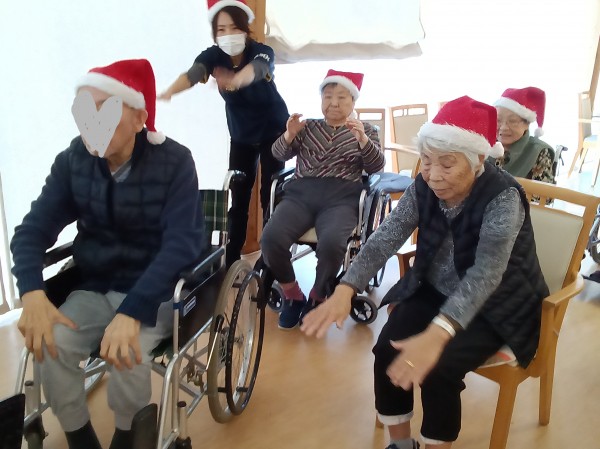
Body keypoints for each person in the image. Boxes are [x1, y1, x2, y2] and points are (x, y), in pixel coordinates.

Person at [301, 96, 549, 449]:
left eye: (447, 164)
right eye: (427, 161)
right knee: (387, 350)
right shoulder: (423, 185)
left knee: (439, 369)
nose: (433, 175)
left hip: (498, 303)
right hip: (435, 288)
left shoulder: (503, 197)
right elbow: (386, 236)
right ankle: (401, 444)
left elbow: (486, 274)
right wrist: (346, 287)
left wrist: (438, 332)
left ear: (479, 159)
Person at [10, 59, 205, 449]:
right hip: (96, 284)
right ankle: (80, 437)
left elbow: (181, 245)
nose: (91, 122)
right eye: (84, 110)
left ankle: (127, 436)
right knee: (50, 344)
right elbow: (31, 231)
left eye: (105, 109)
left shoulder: (175, 162)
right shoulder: (73, 161)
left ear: (139, 118)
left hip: (156, 290)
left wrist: (132, 311)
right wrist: (31, 291)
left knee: (125, 354)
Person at [159, 0, 289, 267]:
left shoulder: (261, 51)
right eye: (221, 29)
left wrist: (236, 80)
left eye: (234, 27)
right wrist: (169, 91)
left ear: (245, 28)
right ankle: (230, 262)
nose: (228, 34)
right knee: (238, 199)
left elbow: (257, 69)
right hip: (242, 135)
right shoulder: (213, 56)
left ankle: (271, 260)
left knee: (270, 196)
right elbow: (194, 73)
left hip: (273, 130)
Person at [261, 69, 385, 330]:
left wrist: (363, 140)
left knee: (331, 245)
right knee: (270, 238)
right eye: (328, 96)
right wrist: (289, 134)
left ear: (353, 101)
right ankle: (293, 294)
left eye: (341, 97)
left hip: (342, 199)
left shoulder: (366, 130)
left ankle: (319, 295)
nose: (334, 103)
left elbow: (376, 167)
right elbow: (278, 155)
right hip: (300, 195)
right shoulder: (308, 127)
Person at [491, 87, 556, 183]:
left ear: (527, 124)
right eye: (498, 120)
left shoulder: (538, 151)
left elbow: (543, 191)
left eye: (512, 121)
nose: (503, 127)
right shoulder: (484, 144)